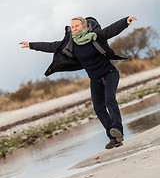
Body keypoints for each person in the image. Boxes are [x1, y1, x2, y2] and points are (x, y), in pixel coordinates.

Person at [19, 15, 137, 149]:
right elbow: (51, 46)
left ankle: (117, 129)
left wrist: (125, 21)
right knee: (98, 108)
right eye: (72, 27)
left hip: (110, 73)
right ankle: (114, 137)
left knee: (110, 100)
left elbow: (110, 30)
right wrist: (31, 45)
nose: (74, 29)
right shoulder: (70, 44)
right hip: (95, 79)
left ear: (85, 27)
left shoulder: (95, 36)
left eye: (77, 26)